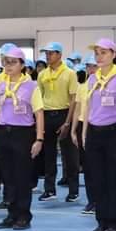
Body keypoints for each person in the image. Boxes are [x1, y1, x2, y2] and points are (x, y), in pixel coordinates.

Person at [82, 38, 116, 231]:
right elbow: (88, 107)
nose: (99, 56)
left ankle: (113, 221)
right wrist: (84, 132)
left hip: (114, 131)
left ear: (114, 54)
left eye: (103, 52)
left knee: (113, 178)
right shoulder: (92, 79)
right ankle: (101, 220)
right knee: (97, 178)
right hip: (94, 131)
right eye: (97, 53)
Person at [0, 46, 45, 230]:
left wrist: (39, 139)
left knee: (22, 176)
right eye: (6, 62)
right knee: (8, 177)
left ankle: (23, 215)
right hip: (3, 132)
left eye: (13, 62)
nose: (8, 65)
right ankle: (11, 214)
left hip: (23, 134)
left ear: (22, 65)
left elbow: (39, 113)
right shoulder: (1, 86)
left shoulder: (31, 86)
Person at [36, 42, 80, 202]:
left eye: (51, 53)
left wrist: (67, 122)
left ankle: (73, 190)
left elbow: (73, 99)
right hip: (47, 115)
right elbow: (39, 97)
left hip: (64, 113)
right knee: (49, 154)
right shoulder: (42, 75)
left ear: (59, 54)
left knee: (70, 154)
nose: (48, 56)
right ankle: (49, 190)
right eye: (46, 53)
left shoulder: (70, 74)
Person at [72, 55, 98, 214]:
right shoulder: (82, 87)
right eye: (89, 66)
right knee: (87, 166)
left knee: (99, 166)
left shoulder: (104, 86)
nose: (91, 69)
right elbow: (77, 109)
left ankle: (101, 199)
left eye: (94, 66)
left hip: (97, 124)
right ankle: (91, 200)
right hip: (83, 125)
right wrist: (73, 129)